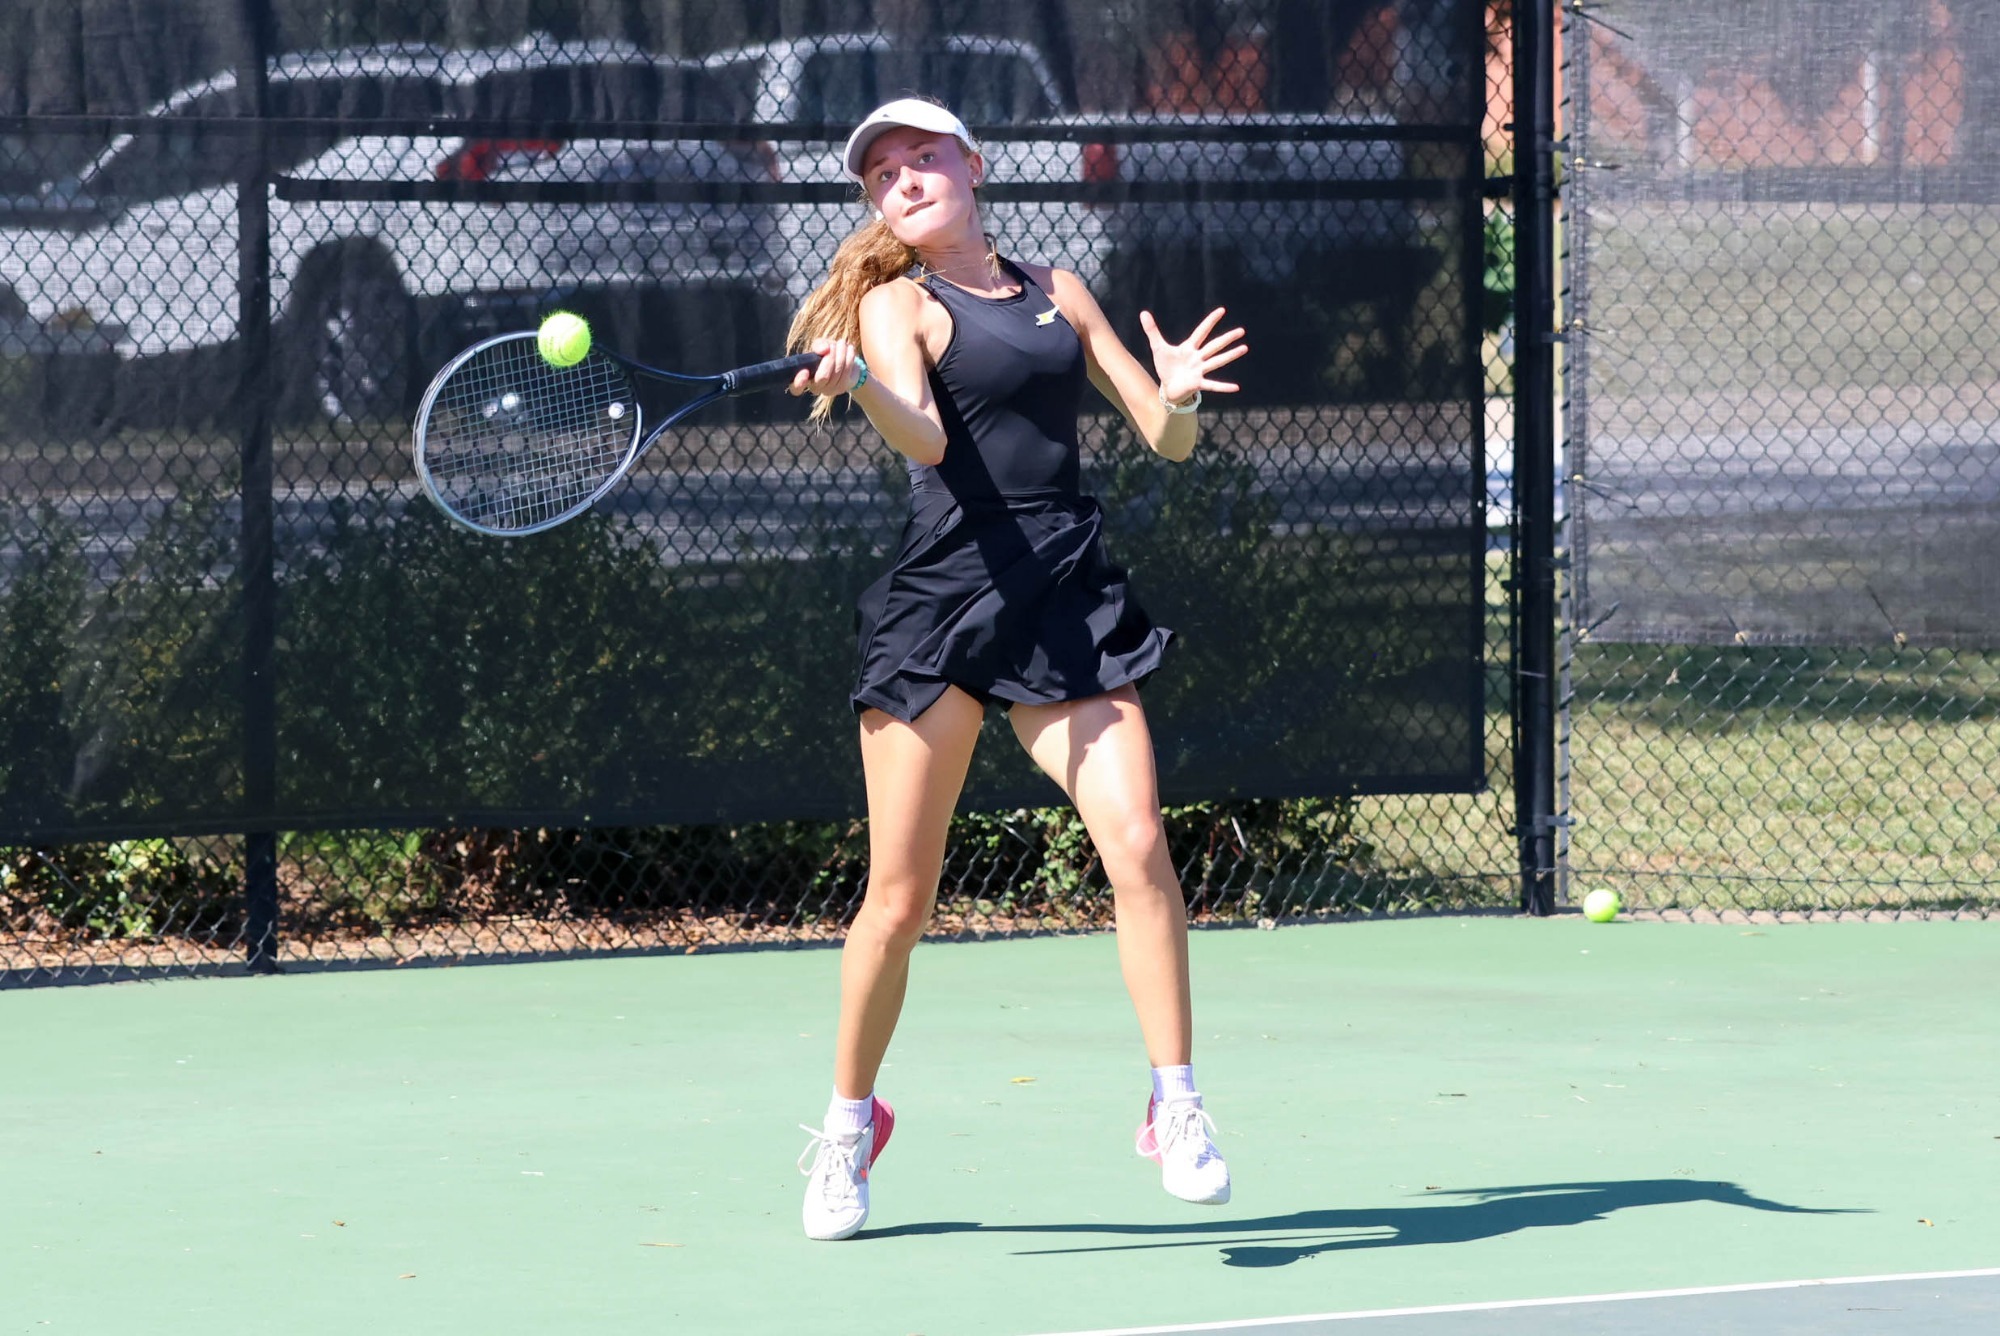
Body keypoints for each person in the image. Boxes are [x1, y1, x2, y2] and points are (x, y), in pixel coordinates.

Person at [784, 97, 1249, 1242]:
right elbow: (927, 436)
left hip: (1062, 598)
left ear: (971, 166)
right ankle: (848, 1123)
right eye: (880, 172)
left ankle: (1173, 1102)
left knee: (1136, 840)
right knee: (898, 901)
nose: (902, 177)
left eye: (920, 156)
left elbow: (1162, 435)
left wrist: (1177, 393)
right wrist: (858, 386)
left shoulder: (1057, 290)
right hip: (940, 607)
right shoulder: (898, 304)